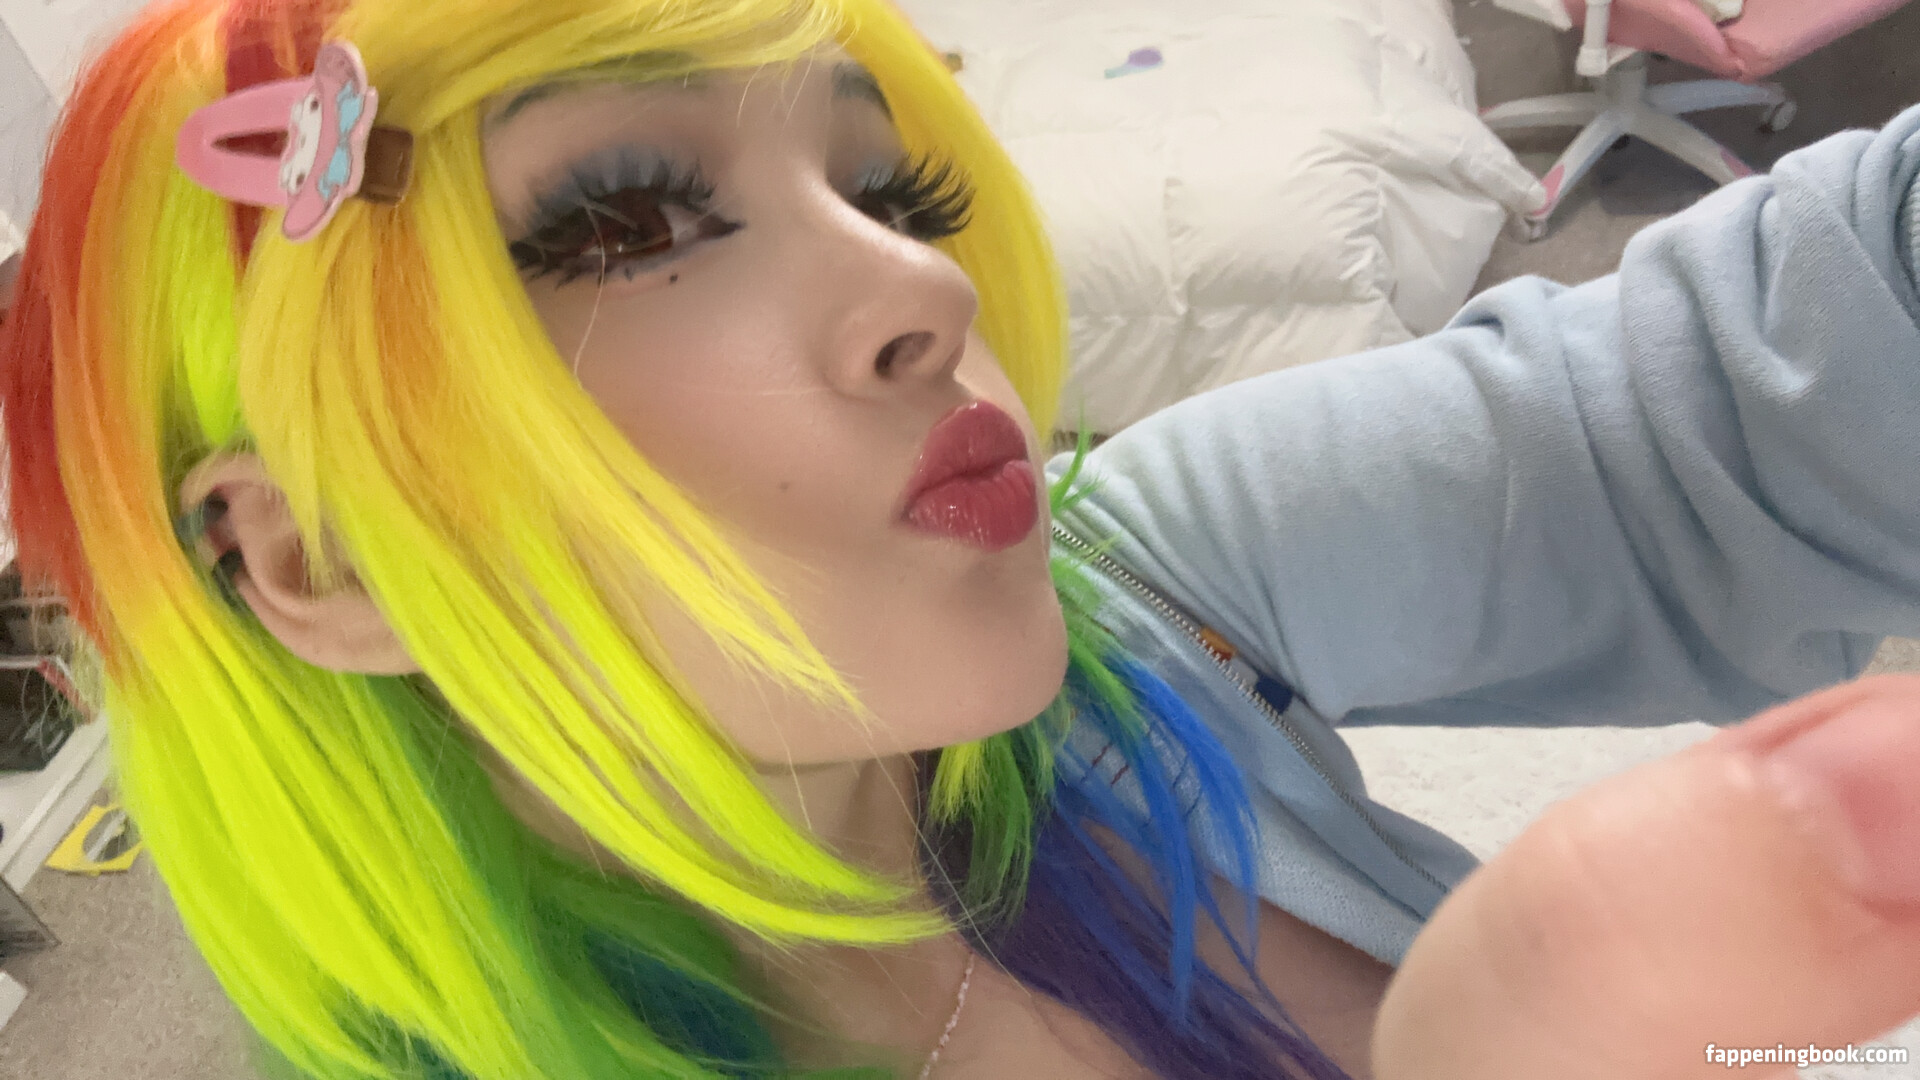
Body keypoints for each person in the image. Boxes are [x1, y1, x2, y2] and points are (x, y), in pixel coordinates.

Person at [3, 0, 1920, 1077]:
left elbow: (1751, 367)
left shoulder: (1144, 598)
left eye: (887, 184)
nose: (927, 281)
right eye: (621, 227)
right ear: (325, 564)